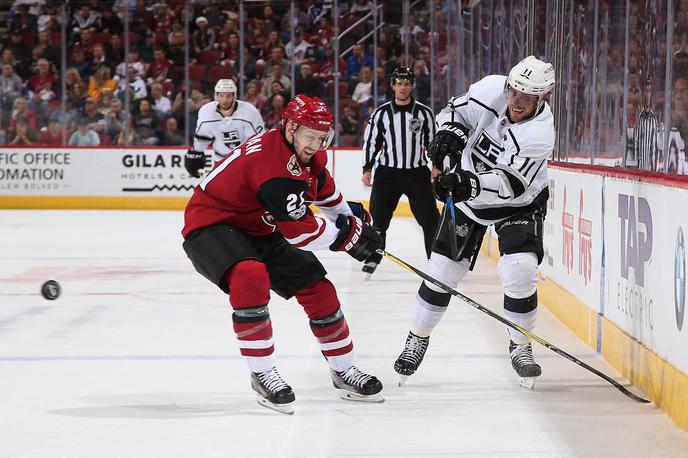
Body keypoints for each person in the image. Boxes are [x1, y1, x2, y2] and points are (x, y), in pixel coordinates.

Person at [181, 94, 384, 414]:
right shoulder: (272, 163)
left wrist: (355, 223)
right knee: (250, 275)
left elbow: (329, 197)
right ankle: (263, 374)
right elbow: (300, 232)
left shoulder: (308, 155)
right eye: (309, 135)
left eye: (321, 137)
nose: (316, 144)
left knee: (319, 289)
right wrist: (345, 238)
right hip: (212, 225)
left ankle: (344, 369)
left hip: (261, 228)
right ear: (289, 128)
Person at [393, 56, 556, 389]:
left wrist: (466, 183)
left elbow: (511, 184)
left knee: (520, 270)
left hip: (518, 205)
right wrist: (447, 138)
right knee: (440, 272)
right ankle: (417, 337)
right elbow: (454, 112)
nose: (517, 101)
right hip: (469, 202)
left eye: (528, 96)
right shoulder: (490, 88)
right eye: (514, 90)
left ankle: (521, 345)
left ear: (544, 97)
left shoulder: (540, 133)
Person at [361, 66, 439, 276]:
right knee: (378, 219)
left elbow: (433, 143)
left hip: (417, 174)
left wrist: (436, 165)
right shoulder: (381, 113)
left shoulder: (424, 113)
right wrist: (367, 168)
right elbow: (371, 142)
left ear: (412, 86)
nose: (402, 87)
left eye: (406, 83)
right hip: (388, 174)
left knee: (430, 219)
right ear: (393, 86)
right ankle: (373, 257)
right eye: (399, 83)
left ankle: (436, 263)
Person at [184, 79, 265, 177]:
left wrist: (258, 162)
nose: (225, 100)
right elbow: (202, 138)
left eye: (228, 96)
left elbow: (259, 141)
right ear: (216, 96)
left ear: (234, 96)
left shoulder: (250, 112)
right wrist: (196, 152)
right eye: (221, 95)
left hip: (245, 162)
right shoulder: (207, 112)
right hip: (220, 161)